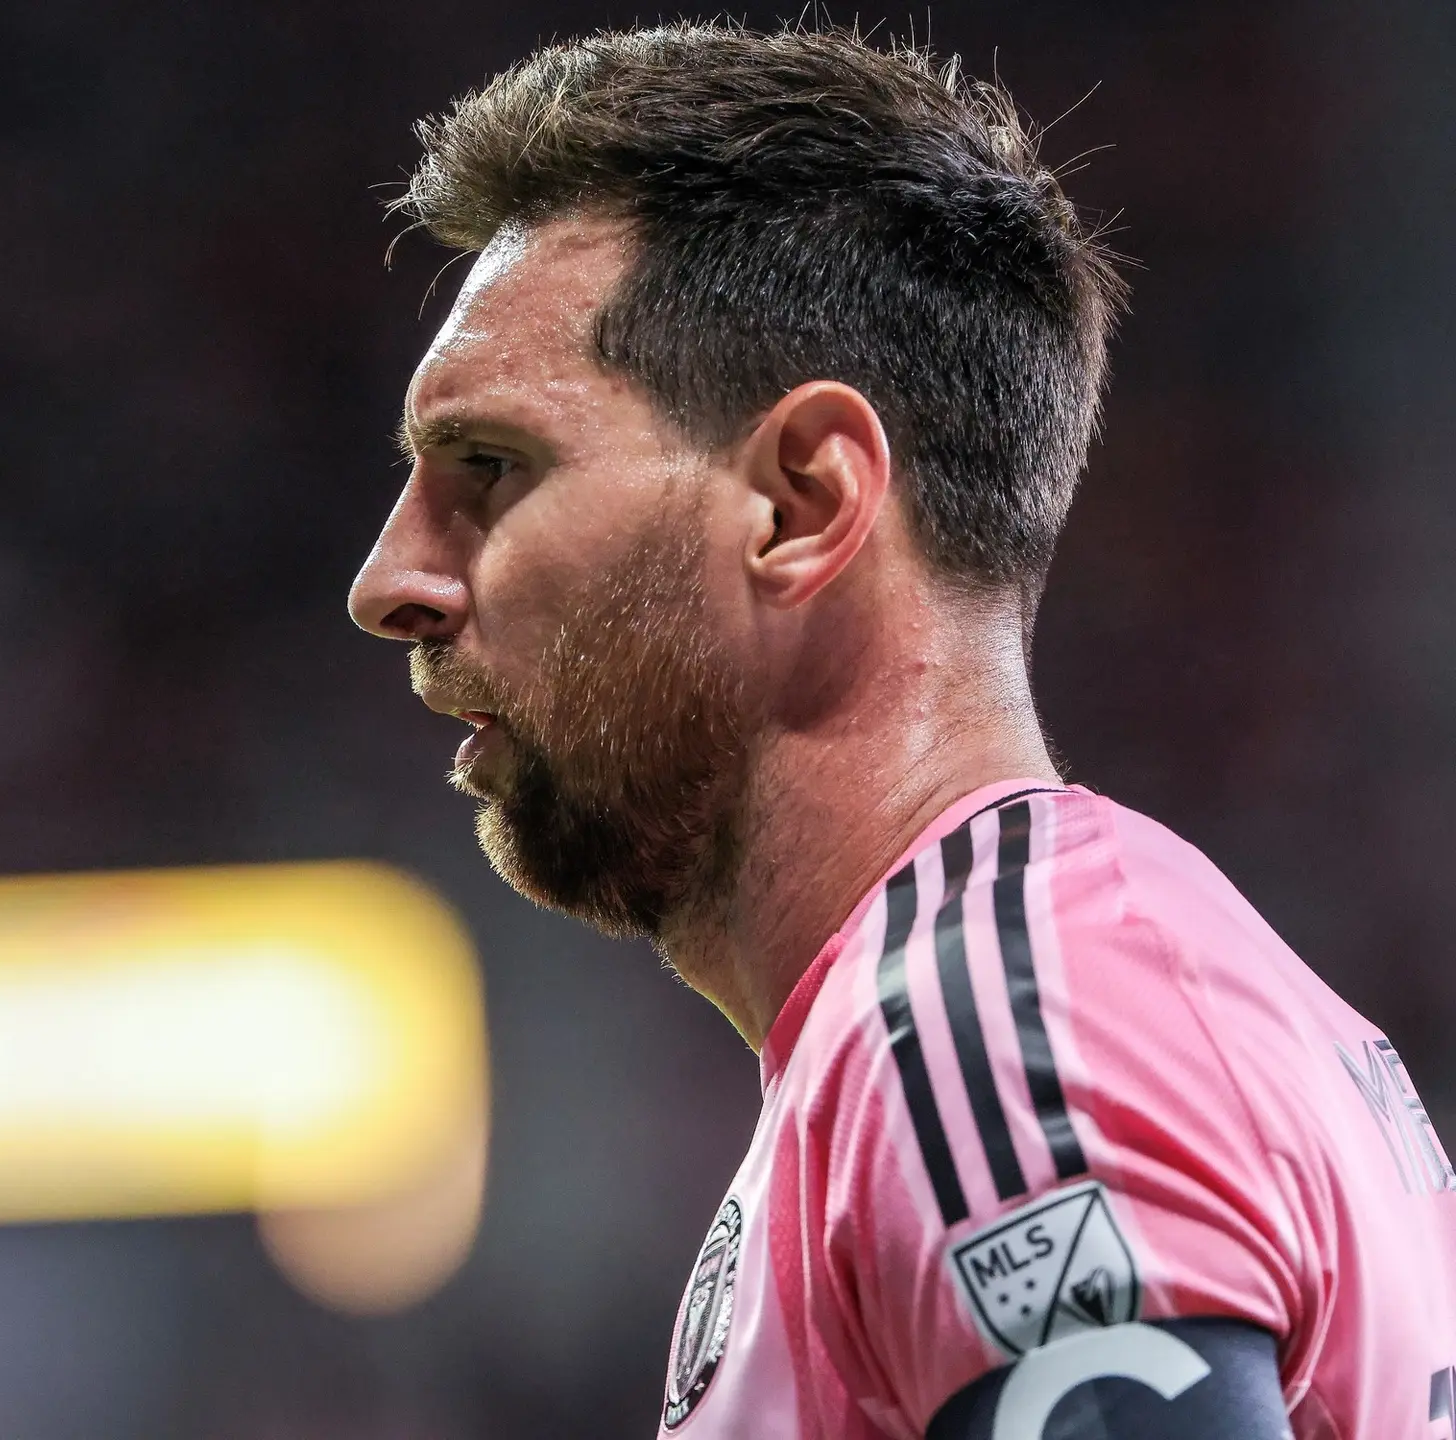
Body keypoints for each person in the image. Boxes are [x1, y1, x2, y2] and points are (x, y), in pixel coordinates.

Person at [345, 22, 1452, 1440]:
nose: (390, 582)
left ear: (802, 504)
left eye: (491, 466)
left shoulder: (998, 1035)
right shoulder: (1057, 994)